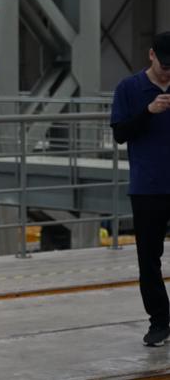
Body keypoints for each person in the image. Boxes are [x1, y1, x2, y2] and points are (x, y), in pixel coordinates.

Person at [111, 31, 170, 347]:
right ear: (151, 55)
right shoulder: (129, 89)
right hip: (147, 188)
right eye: (164, 65)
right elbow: (120, 133)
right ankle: (160, 322)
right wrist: (148, 112)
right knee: (149, 260)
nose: (168, 72)